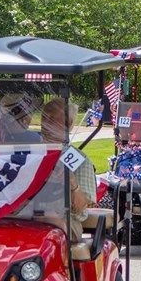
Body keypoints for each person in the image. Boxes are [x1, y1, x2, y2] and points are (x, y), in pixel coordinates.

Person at [39, 97, 96, 242]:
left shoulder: (78, 160)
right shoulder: (29, 152)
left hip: (64, 221)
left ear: (68, 124)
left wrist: (72, 184)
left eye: (52, 119)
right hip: (27, 216)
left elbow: (81, 207)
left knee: (50, 219)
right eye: (44, 118)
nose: (45, 124)